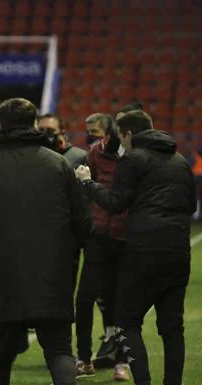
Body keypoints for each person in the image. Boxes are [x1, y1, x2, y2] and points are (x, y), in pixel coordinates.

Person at [0, 98, 93, 385]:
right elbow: (84, 223)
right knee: (59, 349)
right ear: (34, 123)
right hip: (53, 273)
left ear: (1, 125)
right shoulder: (59, 164)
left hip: (3, 275)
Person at [75, 110, 195, 385]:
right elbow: (191, 205)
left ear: (129, 134)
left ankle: (143, 381)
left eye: (121, 136)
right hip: (178, 250)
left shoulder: (133, 158)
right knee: (172, 326)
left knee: (126, 321)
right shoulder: (179, 160)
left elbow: (115, 203)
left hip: (144, 249)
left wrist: (87, 183)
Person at [75, 113, 129, 381]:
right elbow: (89, 190)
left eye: (98, 132)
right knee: (84, 299)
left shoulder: (134, 158)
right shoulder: (95, 155)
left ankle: (122, 361)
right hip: (97, 237)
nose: (95, 138)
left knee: (120, 303)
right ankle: (84, 358)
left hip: (123, 238)